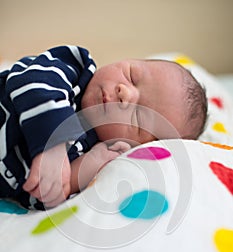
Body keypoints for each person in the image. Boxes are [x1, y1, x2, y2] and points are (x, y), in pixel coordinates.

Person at [0, 45, 207, 210]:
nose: (125, 94)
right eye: (132, 75)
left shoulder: (88, 151)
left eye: (138, 117)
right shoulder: (74, 67)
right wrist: (53, 146)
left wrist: (82, 169)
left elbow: (38, 197)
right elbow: (31, 83)